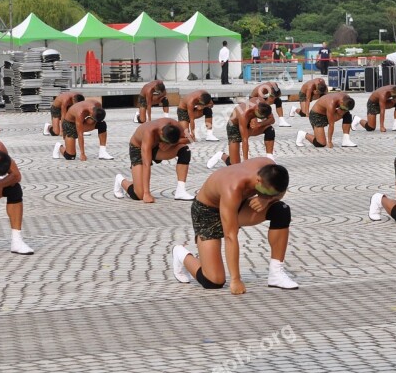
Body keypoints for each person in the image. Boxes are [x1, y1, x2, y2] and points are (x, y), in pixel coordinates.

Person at [171, 159, 298, 293]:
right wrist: (236, 280)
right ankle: (181, 254)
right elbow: (230, 236)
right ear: (259, 181)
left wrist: (267, 199)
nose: (269, 196)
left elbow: (280, 193)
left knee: (281, 210)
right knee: (213, 281)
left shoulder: (270, 167)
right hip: (207, 212)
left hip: (237, 205)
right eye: (266, 193)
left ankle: (276, 274)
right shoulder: (233, 187)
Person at [113, 118, 194, 203]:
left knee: (185, 150)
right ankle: (120, 180)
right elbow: (146, 164)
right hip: (139, 148)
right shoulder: (149, 132)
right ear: (161, 133)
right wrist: (147, 193)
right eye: (165, 141)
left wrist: (173, 143)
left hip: (157, 148)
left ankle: (181, 191)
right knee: (139, 195)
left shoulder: (175, 125)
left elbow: (191, 139)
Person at [206, 99, 275, 168]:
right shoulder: (244, 114)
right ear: (257, 111)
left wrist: (260, 124)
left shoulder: (263, 105)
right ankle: (220, 155)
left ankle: (270, 158)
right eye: (261, 117)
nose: (262, 118)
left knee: (270, 130)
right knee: (235, 166)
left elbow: (272, 120)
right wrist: (246, 162)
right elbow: (245, 140)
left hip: (251, 125)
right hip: (234, 127)